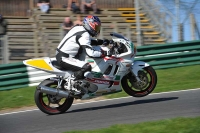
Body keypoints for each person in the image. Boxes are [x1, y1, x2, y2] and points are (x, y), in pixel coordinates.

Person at [56, 15, 111, 82]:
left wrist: (103, 41)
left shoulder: (79, 28)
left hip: (62, 54)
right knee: (87, 66)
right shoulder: (85, 34)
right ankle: (73, 83)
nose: (97, 30)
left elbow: (89, 41)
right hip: (65, 58)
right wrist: (105, 53)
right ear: (90, 25)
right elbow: (90, 53)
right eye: (96, 27)